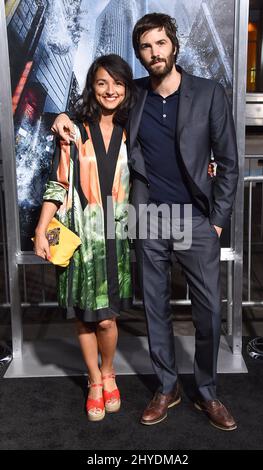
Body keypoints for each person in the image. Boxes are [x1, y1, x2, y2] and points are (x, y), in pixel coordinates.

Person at [52, 13, 239, 431]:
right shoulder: (133, 94)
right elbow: (96, 102)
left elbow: (228, 163)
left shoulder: (209, 94)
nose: (154, 53)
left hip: (195, 218)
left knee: (208, 313)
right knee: (156, 311)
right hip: (148, 216)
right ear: (139, 54)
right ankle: (167, 386)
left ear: (174, 45)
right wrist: (60, 118)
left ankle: (207, 391)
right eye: (145, 47)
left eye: (160, 44)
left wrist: (217, 222)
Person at [34, 54, 135, 422]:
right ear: (93, 86)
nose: (111, 90)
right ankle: (95, 381)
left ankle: (109, 372)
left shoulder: (132, 130)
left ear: (127, 88)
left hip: (117, 238)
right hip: (80, 237)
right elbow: (58, 183)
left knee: (107, 319)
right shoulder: (74, 130)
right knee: (83, 318)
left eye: (118, 83)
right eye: (103, 83)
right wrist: (41, 229)